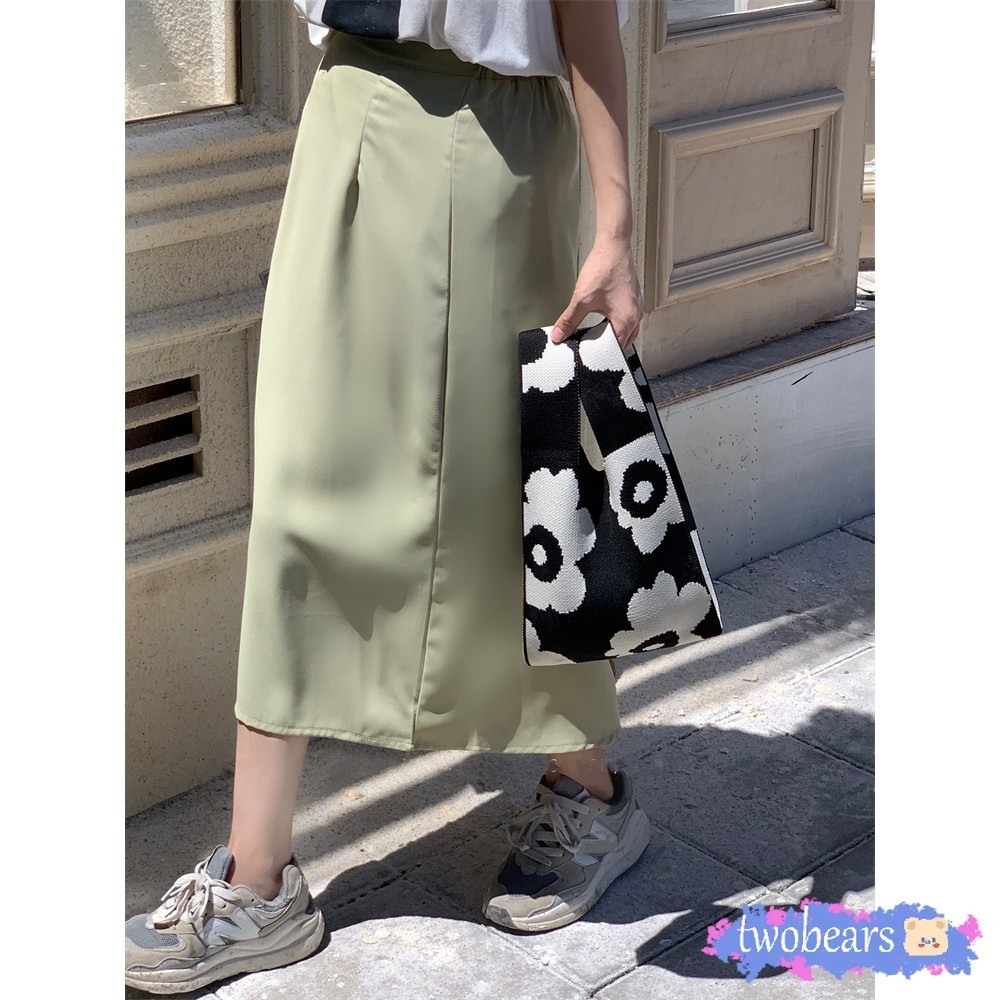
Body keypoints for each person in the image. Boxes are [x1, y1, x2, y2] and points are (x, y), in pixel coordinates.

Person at [125, 1, 648, 993]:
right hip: (348, 105)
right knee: (302, 488)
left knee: (509, 495)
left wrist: (616, 225)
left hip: (495, 135)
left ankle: (591, 788)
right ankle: (258, 877)